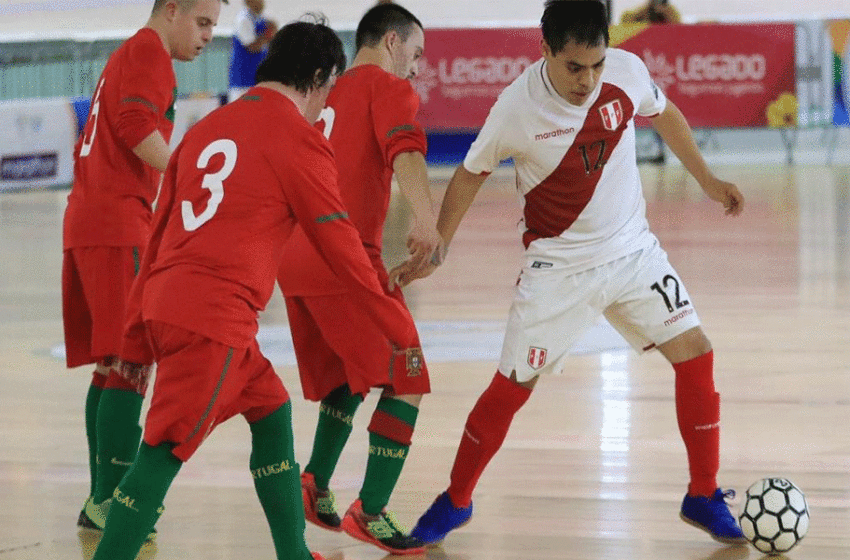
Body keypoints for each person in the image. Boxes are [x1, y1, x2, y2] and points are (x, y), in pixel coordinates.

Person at [394, 0, 748, 547]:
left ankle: (702, 493)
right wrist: (439, 243)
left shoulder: (627, 71)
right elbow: (469, 174)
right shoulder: (516, 106)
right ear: (545, 51)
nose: (588, 80)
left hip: (634, 252)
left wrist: (707, 179)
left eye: (597, 65)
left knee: (697, 353)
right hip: (557, 268)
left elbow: (665, 113)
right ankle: (456, 500)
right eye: (574, 67)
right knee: (511, 386)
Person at [89, 16, 419, 560]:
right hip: (212, 320)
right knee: (162, 451)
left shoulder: (204, 129)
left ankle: (293, 553)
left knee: (272, 412)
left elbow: (161, 227)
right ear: (317, 77)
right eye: (328, 91)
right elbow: (342, 247)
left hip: (175, 305)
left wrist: (133, 329)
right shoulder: (297, 138)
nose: (324, 106)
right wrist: (395, 325)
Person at [275, 1, 441, 555]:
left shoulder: (325, 91)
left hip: (292, 256)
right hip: (339, 256)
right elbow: (407, 151)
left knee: (350, 377)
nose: (416, 68)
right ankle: (370, 511)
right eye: (414, 54)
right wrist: (424, 217)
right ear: (391, 43)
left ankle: (313, 484)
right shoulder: (386, 87)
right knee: (407, 375)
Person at [63, 0, 223, 536]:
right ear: (172, 10)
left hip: (91, 221)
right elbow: (134, 125)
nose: (206, 37)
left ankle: (99, 500)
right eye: (202, 23)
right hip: (117, 223)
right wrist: (188, 178)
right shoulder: (149, 52)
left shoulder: (132, 53)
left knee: (112, 365)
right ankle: (112, 500)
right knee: (130, 364)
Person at [228, 0, 278, 100]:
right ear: (249, 2)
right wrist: (268, 34)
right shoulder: (243, 19)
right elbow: (252, 46)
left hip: (257, 80)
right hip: (243, 82)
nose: (262, 3)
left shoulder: (262, 19)